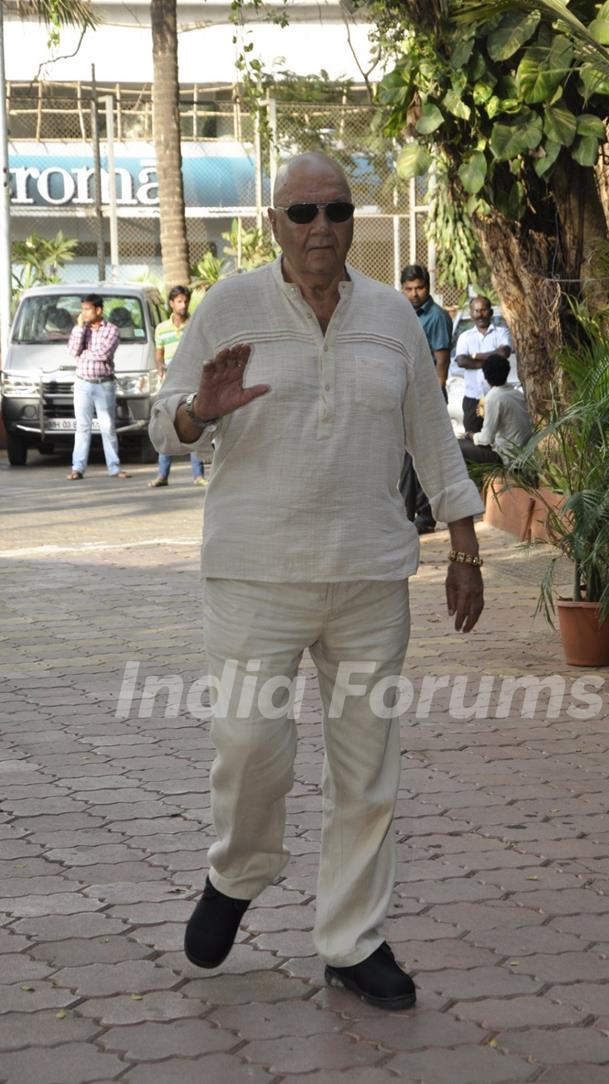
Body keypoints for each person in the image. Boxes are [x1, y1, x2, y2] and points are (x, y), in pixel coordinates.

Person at [149, 152, 485, 1012]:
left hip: (370, 575)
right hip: (255, 574)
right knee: (251, 747)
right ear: (275, 224)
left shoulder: (391, 319)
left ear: (351, 221)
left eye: (336, 211)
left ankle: (351, 940)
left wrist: (464, 548)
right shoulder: (229, 305)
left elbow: (430, 435)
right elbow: (166, 422)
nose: (322, 229)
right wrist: (200, 412)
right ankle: (238, 873)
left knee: (365, 770)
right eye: (303, 213)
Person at [399, 264, 453, 534]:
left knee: (420, 456)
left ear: (428, 287)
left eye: (419, 288)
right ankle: (414, 513)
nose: (414, 293)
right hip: (404, 393)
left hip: (427, 395)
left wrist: (435, 395)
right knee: (406, 456)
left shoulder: (436, 316)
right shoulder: (401, 314)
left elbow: (441, 360)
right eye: (408, 289)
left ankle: (421, 514)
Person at [148, 286, 207, 488]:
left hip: (192, 380)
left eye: (185, 301)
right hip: (171, 383)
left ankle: (198, 475)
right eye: (179, 301)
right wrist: (160, 366)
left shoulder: (195, 325)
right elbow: (159, 352)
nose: (182, 305)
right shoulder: (162, 328)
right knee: (167, 424)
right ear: (171, 303)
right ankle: (162, 475)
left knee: (192, 422)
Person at [66, 293, 128, 481]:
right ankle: (78, 468)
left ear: (98, 310)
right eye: (82, 309)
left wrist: (84, 354)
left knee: (107, 426)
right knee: (82, 427)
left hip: (103, 385)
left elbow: (103, 354)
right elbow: (72, 351)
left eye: (87, 309)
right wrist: (78, 328)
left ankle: (114, 467)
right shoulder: (81, 330)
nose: (84, 313)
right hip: (82, 383)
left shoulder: (111, 330)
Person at [459, 353, 532, 465]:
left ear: (485, 376)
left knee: (458, 445)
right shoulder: (517, 393)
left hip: (506, 456)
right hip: (523, 453)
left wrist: (470, 435)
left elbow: (486, 439)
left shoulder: (493, 397)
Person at [454, 296, 511, 435]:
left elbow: (503, 353)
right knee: (472, 437)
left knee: (499, 437)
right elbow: (461, 361)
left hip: (497, 397)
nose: (480, 314)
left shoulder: (501, 332)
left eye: (484, 310)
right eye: (476, 310)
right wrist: (492, 359)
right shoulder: (465, 337)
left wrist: (474, 356)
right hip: (473, 399)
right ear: (471, 313)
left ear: (490, 312)